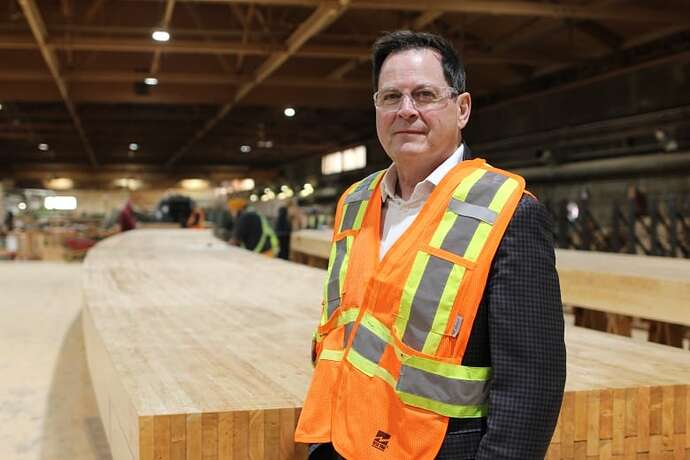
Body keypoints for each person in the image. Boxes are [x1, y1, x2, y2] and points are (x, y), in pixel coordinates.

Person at [295, 31, 565, 460]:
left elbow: (532, 383)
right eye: (391, 97)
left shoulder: (509, 213)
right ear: (377, 109)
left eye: (424, 95)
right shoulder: (355, 202)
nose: (407, 110)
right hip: (339, 440)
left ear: (462, 109)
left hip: (434, 450)